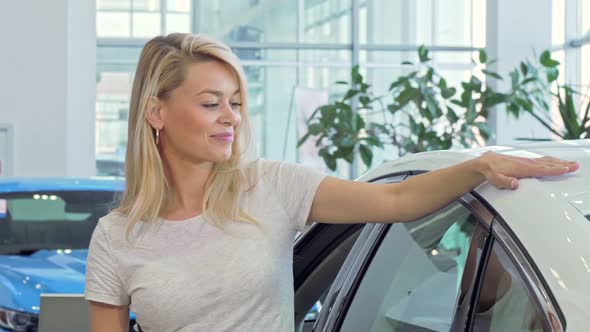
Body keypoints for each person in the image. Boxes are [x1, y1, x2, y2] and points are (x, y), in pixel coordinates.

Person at [84, 33, 579, 332]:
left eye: (235, 102)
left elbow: (396, 198)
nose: (229, 118)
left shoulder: (270, 186)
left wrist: (478, 166)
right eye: (211, 103)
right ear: (156, 112)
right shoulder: (117, 238)